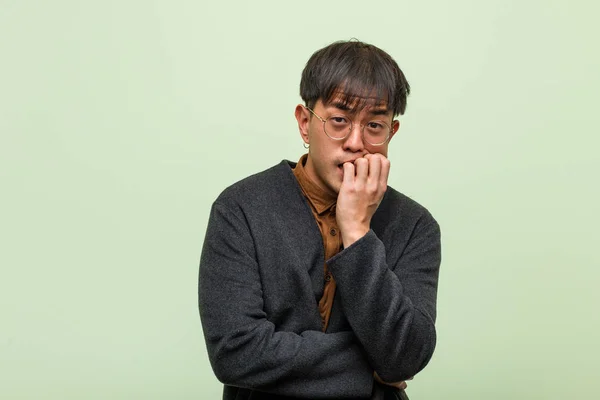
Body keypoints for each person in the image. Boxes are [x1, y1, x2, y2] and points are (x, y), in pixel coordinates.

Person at [199, 39, 441, 399]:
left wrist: (357, 231)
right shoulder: (240, 208)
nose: (356, 142)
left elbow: (405, 357)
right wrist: (366, 366)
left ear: (391, 133)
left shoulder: (415, 225)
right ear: (304, 122)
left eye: (374, 125)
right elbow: (235, 354)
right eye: (339, 121)